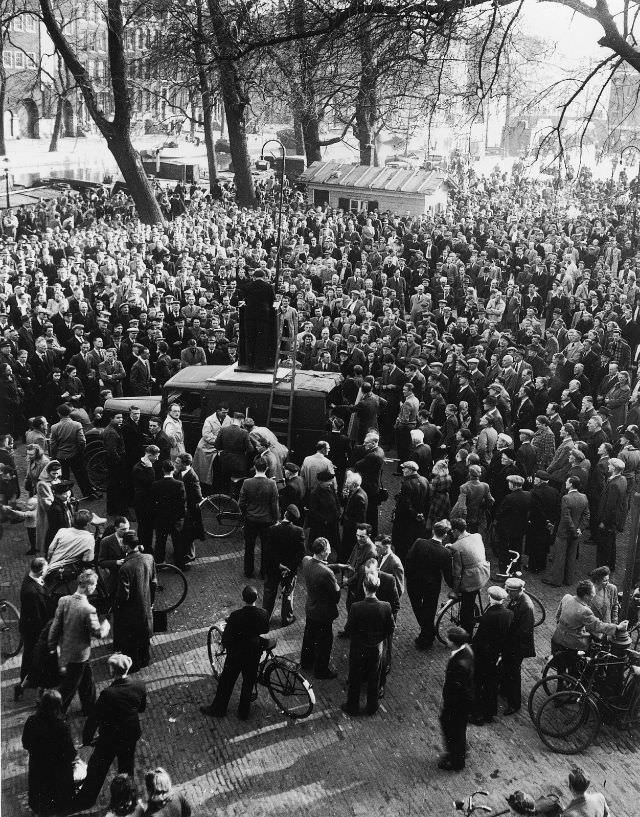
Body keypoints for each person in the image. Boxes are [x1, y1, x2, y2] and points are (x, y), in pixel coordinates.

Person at [74, 653, 147, 809]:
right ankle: (127, 799)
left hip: (110, 738)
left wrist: (87, 740)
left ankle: (86, 800)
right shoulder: (139, 685)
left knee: (97, 769)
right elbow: (141, 707)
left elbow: (93, 720)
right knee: (127, 768)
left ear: (112, 671)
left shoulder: (108, 694)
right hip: (130, 734)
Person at [200, 585, 270, 719]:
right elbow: (265, 630)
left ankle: (218, 709)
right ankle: (243, 713)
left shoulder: (236, 615)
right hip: (253, 653)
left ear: (243, 598)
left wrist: (225, 645)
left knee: (226, 682)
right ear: (257, 598)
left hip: (236, 655)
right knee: (248, 682)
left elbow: (227, 637)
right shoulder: (263, 613)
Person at [48, 568, 110, 713]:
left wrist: (52, 646)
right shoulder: (89, 609)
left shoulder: (63, 600)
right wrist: (106, 626)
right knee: (69, 686)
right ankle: (56, 712)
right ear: (89, 586)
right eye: (94, 586)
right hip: (79, 655)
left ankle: (89, 706)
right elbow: (98, 634)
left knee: (86, 680)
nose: (95, 589)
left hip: (66, 648)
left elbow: (55, 626)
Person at [341, 573, 395, 716]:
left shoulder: (356, 607)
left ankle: (352, 706)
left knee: (355, 677)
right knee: (374, 677)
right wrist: (378, 639)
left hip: (358, 648)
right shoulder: (386, 606)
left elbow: (348, 628)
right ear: (377, 587)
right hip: (376, 648)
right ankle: (372, 706)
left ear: (364, 587)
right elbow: (390, 628)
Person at [551, 579, 628, 677]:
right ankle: (578, 679)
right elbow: (598, 625)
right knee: (590, 651)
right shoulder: (584, 611)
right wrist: (617, 627)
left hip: (556, 639)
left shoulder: (567, 597)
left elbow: (558, 616)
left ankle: (560, 684)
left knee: (561, 667)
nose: (594, 596)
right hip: (571, 645)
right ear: (586, 596)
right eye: (592, 594)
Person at [22, 689, 76, 815]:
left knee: (41, 802)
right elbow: (70, 753)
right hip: (58, 773)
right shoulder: (61, 726)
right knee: (59, 804)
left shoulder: (31, 721)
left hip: (38, 768)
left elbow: (25, 743)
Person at [113, 532, 157, 672]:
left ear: (126, 547)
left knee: (130, 640)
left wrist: (117, 606)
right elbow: (154, 583)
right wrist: (151, 602)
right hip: (146, 604)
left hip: (131, 610)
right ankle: (145, 660)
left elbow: (123, 595)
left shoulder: (125, 568)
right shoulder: (149, 558)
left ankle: (134, 665)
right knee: (144, 636)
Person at [405, 520, 452, 650]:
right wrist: (455, 587)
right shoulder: (445, 553)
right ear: (445, 535)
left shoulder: (419, 542)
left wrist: (409, 577)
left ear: (433, 531)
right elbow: (448, 575)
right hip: (432, 586)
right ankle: (427, 635)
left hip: (414, 582)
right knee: (429, 610)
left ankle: (426, 633)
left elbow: (409, 559)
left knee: (417, 606)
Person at [300, 537, 342, 679]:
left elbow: (319, 566)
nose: (329, 551)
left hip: (311, 608)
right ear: (324, 552)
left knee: (309, 637)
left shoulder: (306, 560)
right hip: (323, 612)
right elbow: (336, 595)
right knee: (325, 642)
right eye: (328, 549)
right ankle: (321, 670)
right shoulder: (326, 574)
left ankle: (306, 662)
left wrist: (338, 566)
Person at [470, 585, 512, 725]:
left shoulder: (487, 616)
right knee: (491, 685)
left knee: (477, 684)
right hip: (497, 656)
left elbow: (479, 639)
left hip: (484, 657)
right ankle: (489, 713)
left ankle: (477, 715)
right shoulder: (508, 614)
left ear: (490, 598)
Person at [15, 557, 52, 701]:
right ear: (41, 571)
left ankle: (27, 684)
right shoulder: (31, 592)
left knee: (31, 657)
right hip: (34, 631)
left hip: (32, 628)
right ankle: (25, 685)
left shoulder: (31, 578)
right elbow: (37, 617)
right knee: (31, 657)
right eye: (46, 568)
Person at [262, 504, 305, 625]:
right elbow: (300, 553)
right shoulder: (298, 532)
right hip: (289, 571)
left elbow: (268, 551)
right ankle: (287, 618)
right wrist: (289, 567)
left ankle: (265, 617)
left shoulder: (272, 529)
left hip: (273, 568)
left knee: (269, 593)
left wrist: (278, 564)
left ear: (285, 514)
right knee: (288, 594)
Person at [438, 625, 474, 771]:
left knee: (453, 729)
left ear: (453, 642)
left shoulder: (459, 663)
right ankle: (458, 752)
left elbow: (457, 689)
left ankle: (456, 761)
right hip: (462, 703)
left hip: (457, 705)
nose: (446, 640)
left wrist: (448, 705)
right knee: (457, 729)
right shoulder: (466, 651)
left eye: (448, 638)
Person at [543, 476, 590, 587]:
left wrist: (574, 530)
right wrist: (580, 529)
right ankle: (568, 580)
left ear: (571, 484)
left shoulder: (566, 498)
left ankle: (556, 581)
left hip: (564, 532)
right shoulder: (584, 497)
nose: (565, 482)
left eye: (567, 481)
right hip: (576, 533)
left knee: (559, 557)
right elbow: (586, 515)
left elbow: (566, 517)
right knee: (571, 557)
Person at [238, 455, 279, 578]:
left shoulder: (247, 482)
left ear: (254, 467)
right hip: (267, 521)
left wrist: (246, 514)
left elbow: (241, 503)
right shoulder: (272, 483)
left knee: (249, 547)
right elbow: (274, 504)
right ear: (266, 468)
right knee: (266, 548)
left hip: (251, 519)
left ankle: (248, 571)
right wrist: (276, 519)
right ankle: (264, 572)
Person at [448, 517, 490, 636]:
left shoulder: (456, 547)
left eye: (452, 530)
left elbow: (457, 573)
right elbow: (468, 547)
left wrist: (454, 591)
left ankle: (467, 636)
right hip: (484, 573)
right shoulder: (477, 535)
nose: (451, 532)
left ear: (456, 530)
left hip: (472, 579)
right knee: (470, 600)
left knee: (466, 611)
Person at [501, 577, 536, 715]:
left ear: (518, 591)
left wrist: (508, 638)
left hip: (518, 646)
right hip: (512, 644)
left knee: (514, 673)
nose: (507, 593)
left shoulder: (526, 606)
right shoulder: (517, 599)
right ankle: (505, 690)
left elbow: (524, 630)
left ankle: (514, 704)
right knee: (507, 669)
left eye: (509, 591)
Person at [49, 402, 97, 498]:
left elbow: (53, 444)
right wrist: (80, 452)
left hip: (61, 456)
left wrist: (54, 456)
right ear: (69, 412)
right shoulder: (77, 425)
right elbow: (82, 441)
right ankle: (88, 493)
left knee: (64, 477)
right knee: (82, 476)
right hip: (75, 455)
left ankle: (68, 497)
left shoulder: (54, 427)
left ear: (59, 414)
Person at [151, 459, 187, 568]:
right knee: (178, 543)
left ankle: (159, 563)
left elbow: (153, 503)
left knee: (160, 542)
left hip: (161, 519)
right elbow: (182, 503)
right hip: (175, 519)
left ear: (163, 470)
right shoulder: (179, 484)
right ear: (173, 470)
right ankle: (179, 564)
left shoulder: (156, 484)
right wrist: (180, 518)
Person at [239, 267, 276, 370]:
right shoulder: (268, 287)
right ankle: (261, 364)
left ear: (254, 277)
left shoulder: (247, 286)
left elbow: (245, 300)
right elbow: (272, 301)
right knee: (262, 340)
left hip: (249, 316)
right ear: (264, 277)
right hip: (263, 317)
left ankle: (250, 364)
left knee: (250, 339)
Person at [391, 460, 428, 562]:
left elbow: (405, 505)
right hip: (419, 521)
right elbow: (428, 500)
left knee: (401, 547)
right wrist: (421, 514)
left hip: (405, 521)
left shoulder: (407, 484)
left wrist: (415, 514)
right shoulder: (425, 480)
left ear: (410, 470)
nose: (403, 470)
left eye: (404, 468)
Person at [595, 457, 627, 572]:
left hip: (608, 520)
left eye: (610, 465)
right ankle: (610, 565)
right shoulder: (622, 479)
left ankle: (600, 570)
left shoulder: (613, 484)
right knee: (611, 544)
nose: (608, 467)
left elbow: (610, 506)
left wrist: (604, 521)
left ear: (614, 468)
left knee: (604, 546)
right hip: (615, 520)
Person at [493, 474, 531, 571]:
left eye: (509, 483)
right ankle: (516, 568)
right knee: (517, 548)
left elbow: (500, 513)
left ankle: (503, 571)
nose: (508, 485)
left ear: (514, 485)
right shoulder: (528, 495)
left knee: (504, 550)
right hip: (521, 527)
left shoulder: (509, 498)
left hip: (507, 528)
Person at [525, 469, 560, 573]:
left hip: (536, 523)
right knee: (544, 544)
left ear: (539, 481)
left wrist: (544, 520)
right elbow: (557, 508)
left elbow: (535, 510)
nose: (534, 480)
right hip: (548, 524)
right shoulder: (554, 491)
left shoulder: (534, 492)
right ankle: (542, 565)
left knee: (534, 545)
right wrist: (551, 521)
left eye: (536, 479)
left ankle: (533, 566)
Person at [174, 452, 204, 565]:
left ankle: (189, 556)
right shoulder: (180, 472)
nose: (175, 464)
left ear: (185, 464)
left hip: (190, 511)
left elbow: (198, 496)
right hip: (183, 509)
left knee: (188, 533)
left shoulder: (192, 476)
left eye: (177, 462)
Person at [46, 508, 96, 573]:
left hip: (51, 568)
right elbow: (87, 559)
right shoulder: (90, 538)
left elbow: (50, 550)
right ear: (87, 524)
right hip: (69, 572)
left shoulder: (62, 531)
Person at [192, 404, 231, 488]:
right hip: (207, 448)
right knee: (204, 471)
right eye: (223, 412)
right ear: (218, 411)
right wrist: (219, 441)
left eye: (227, 412)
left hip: (220, 449)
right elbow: (206, 435)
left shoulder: (229, 419)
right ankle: (204, 486)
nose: (225, 414)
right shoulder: (209, 420)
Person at [132, 445, 160, 553]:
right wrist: (150, 468)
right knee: (145, 527)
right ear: (149, 455)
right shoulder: (139, 468)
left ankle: (146, 546)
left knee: (146, 527)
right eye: (156, 456)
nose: (157, 459)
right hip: (143, 503)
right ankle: (145, 548)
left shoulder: (144, 465)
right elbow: (150, 483)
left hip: (145, 502)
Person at [339, 469, 368, 562]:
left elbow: (358, 517)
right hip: (350, 525)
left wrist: (347, 521)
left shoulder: (359, 497)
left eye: (348, 483)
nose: (346, 484)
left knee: (348, 546)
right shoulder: (356, 492)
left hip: (352, 528)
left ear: (354, 484)